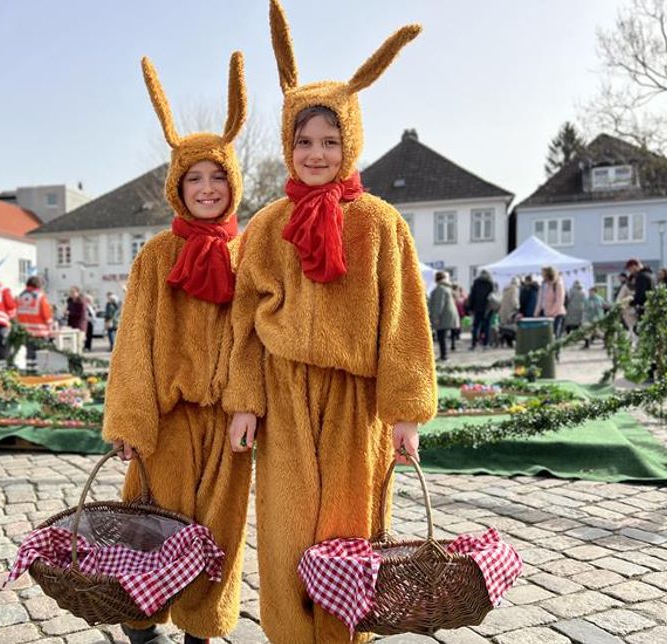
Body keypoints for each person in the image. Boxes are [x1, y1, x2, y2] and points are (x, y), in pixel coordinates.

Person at [225, 7, 436, 641]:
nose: (316, 154)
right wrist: (244, 402)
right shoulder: (265, 226)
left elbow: (403, 322)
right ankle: (290, 634)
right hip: (284, 396)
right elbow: (243, 324)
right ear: (287, 143)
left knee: (351, 529)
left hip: (357, 401)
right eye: (303, 140)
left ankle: (347, 636)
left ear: (351, 143)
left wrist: (405, 411)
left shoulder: (379, 222)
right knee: (288, 528)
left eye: (330, 141)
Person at [102, 52, 253, 644]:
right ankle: (141, 627)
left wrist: (248, 402)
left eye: (218, 176)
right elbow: (133, 340)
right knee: (152, 525)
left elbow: (255, 340)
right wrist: (129, 419)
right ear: (178, 185)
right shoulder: (157, 256)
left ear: (233, 182)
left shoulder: (250, 253)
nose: (207, 188)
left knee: (219, 531)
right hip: (165, 420)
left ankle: (200, 631)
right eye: (195, 178)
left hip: (227, 419)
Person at [16, 276, 53, 373]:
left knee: (29, 354)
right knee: (41, 355)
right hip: (40, 331)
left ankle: (30, 374)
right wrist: (50, 327)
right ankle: (40, 375)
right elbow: (46, 314)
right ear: (39, 285)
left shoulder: (20, 297)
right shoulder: (40, 297)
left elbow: (16, 314)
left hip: (25, 331)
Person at [428, 272, 460, 361]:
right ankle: (444, 355)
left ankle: (444, 356)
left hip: (443, 315)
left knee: (441, 336)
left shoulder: (440, 288)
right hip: (447, 314)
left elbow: (439, 304)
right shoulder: (446, 288)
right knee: (443, 336)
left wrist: (435, 317)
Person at [535, 266, 567, 337]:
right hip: (545, 314)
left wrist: (551, 313)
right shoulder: (543, 284)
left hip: (557, 314)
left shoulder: (558, 284)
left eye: (543, 273)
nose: (541, 275)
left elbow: (559, 301)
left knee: (555, 335)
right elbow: (540, 300)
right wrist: (536, 312)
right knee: (546, 336)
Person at [467, 269, 495, 350]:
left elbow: (472, 296)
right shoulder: (490, 283)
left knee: (475, 326)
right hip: (487, 308)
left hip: (477, 307)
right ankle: (485, 344)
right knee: (486, 326)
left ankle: (473, 344)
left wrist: (471, 308)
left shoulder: (476, 282)